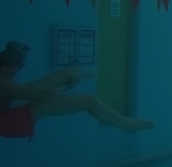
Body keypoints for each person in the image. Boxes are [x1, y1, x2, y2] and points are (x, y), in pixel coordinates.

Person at [0, 42, 155, 138]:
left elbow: (28, 92)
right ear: (3, 67)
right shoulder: (4, 83)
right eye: (17, 67)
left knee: (68, 73)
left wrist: (67, 80)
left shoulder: (5, 80)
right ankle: (129, 126)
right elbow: (38, 95)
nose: (19, 70)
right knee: (88, 101)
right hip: (10, 121)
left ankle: (77, 73)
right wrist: (67, 86)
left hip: (10, 108)